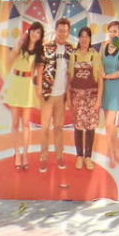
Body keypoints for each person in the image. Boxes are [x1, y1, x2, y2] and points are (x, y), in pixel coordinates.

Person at [3, 21, 44, 170]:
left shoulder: (40, 51)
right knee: (15, 123)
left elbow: (39, 74)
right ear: (29, 31)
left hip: (27, 85)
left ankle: (26, 154)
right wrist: (17, 45)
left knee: (26, 124)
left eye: (38, 32)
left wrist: (39, 91)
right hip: (15, 83)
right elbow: (8, 62)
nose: (35, 34)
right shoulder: (20, 44)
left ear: (40, 36)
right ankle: (17, 153)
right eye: (33, 30)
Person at [39, 17, 74, 174]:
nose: (62, 33)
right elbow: (39, 71)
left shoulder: (71, 50)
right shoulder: (46, 48)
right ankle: (43, 158)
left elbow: (71, 74)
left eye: (65, 31)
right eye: (60, 30)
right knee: (45, 128)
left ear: (68, 32)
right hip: (47, 94)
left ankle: (60, 156)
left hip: (61, 96)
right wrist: (39, 91)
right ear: (56, 30)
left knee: (59, 128)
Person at [69, 26, 103, 170]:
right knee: (78, 127)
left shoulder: (95, 55)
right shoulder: (74, 55)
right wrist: (69, 98)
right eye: (82, 36)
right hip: (77, 96)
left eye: (87, 36)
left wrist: (99, 100)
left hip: (92, 97)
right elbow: (69, 80)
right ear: (79, 38)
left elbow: (100, 80)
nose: (84, 39)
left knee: (90, 128)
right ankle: (79, 156)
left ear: (90, 39)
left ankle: (88, 157)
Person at [101, 21, 119, 168]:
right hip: (105, 88)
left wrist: (107, 76)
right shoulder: (103, 47)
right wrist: (102, 76)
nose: (113, 33)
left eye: (115, 31)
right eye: (110, 31)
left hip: (115, 87)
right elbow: (99, 65)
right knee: (110, 125)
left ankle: (111, 155)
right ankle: (115, 149)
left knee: (109, 124)